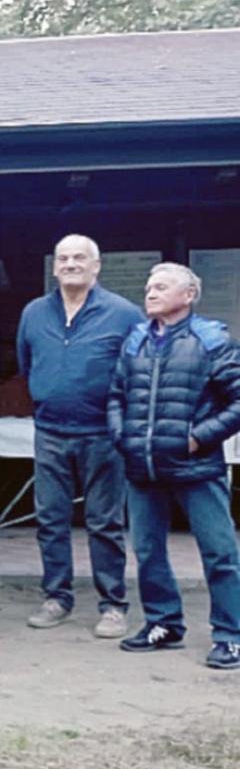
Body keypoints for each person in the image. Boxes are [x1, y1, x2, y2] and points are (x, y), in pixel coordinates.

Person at [107, 263, 240, 669]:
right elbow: (116, 396)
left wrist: (197, 438)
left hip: (197, 469)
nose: (150, 293)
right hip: (143, 468)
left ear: (188, 296)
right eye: (148, 286)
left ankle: (231, 635)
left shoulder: (211, 339)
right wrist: (123, 437)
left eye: (161, 287)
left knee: (219, 553)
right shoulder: (135, 342)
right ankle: (163, 623)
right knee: (147, 551)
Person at [16, 234, 141, 636]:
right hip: (50, 431)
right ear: (54, 267)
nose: (70, 264)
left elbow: (137, 373)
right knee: (51, 519)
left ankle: (113, 605)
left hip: (102, 434)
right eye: (63, 258)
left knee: (104, 522)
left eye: (79, 258)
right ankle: (57, 598)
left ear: (96, 266)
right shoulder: (34, 312)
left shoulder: (124, 314)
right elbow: (25, 363)